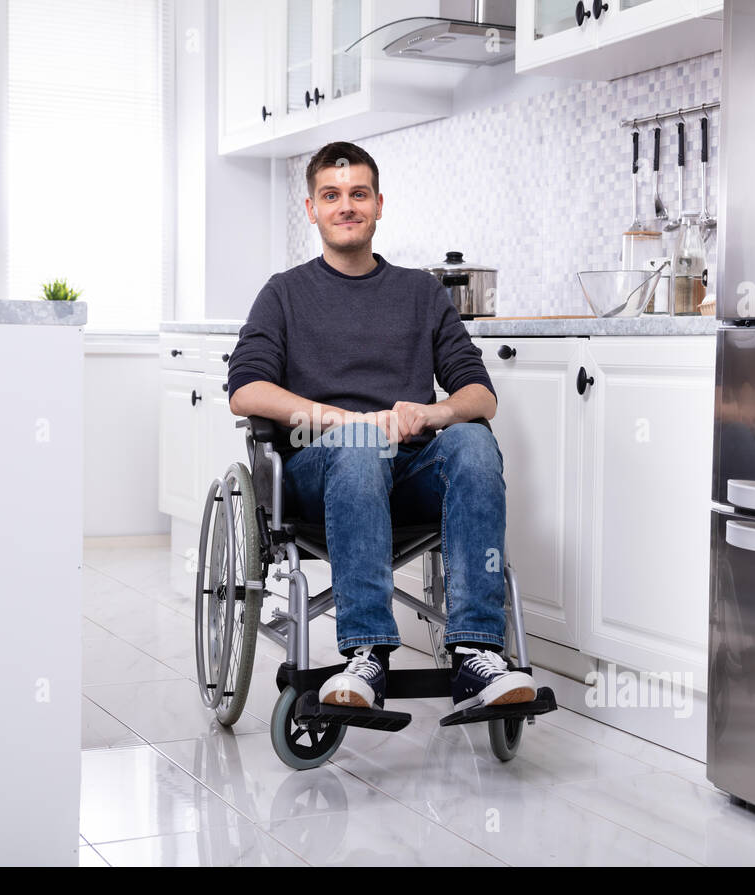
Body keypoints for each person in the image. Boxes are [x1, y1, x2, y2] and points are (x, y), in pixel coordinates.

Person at [225, 140, 536, 714]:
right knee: (359, 445)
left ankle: (475, 653)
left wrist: (434, 413)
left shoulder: (420, 292)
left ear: (379, 205)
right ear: (312, 209)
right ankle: (367, 652)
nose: (347, 206)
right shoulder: (285, 293)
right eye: (332, 195)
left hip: (410, 466)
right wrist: (344, 421)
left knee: (471, 439)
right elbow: (245, 389)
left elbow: (479, 394)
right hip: (319, 467)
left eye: (358, 194)